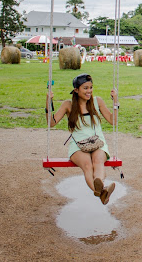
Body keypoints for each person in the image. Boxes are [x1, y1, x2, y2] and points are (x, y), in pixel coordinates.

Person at [46, 73, 119, 205]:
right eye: (85, 88)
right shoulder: (68, 105)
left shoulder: (98, 102)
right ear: (76, 90)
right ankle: (102, 191)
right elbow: (51, 123)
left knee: (98, 161)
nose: (89, 91)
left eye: (91, 87)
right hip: (78, 145)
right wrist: (48, 103)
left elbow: (113, 121)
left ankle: (100, 190)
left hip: (97, 142)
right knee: (87, 165)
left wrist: (115, 101)